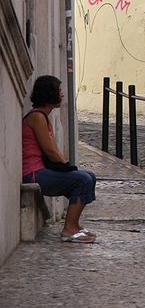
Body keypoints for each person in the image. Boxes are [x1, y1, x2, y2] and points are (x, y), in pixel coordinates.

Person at [22, 75, 97, 243]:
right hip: (33, 173)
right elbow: (49, 150)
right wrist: (67, 166)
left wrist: (67, 167)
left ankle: (75, 225)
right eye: (59, 90)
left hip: (41, 170)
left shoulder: (43, 116)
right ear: (50, 94)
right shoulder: (37, 117)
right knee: (83, 179)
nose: (62, 94)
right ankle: (69, 229)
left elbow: (53, 148)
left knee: (89, 177)